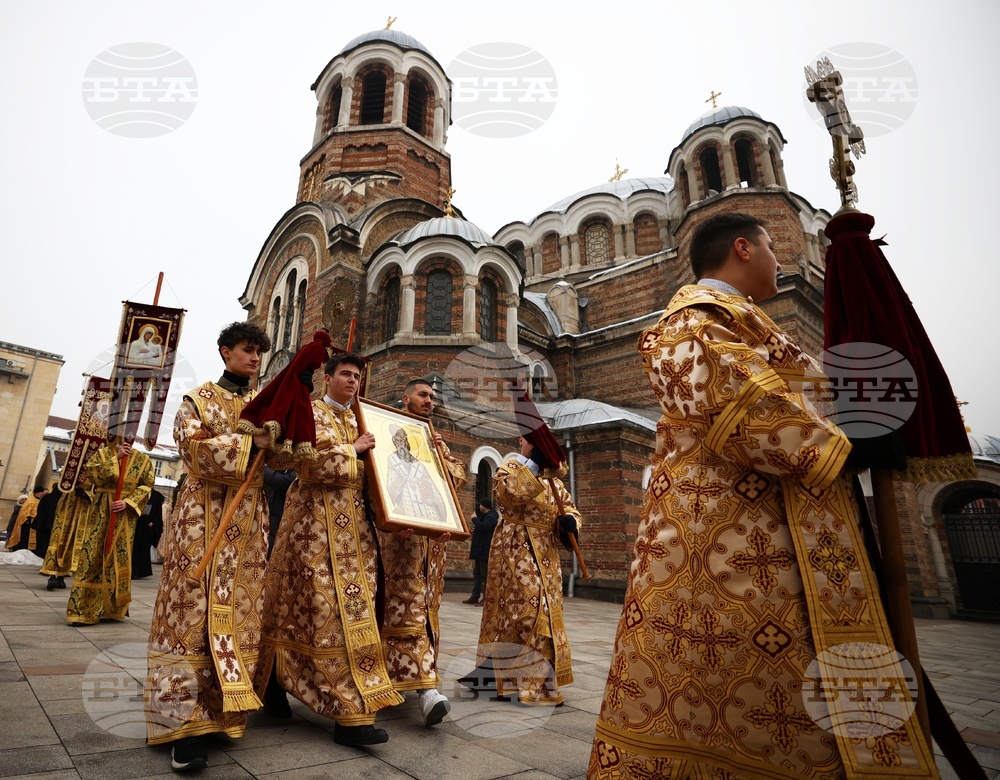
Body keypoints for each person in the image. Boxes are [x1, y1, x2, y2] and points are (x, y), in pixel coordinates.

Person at [588, 213, 938, 779]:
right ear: (743, 248)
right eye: (774, 247)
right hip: (726, 539)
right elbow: (738, 401)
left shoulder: (749, 323)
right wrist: (841, 447)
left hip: (773, 525)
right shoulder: (694, 319)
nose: (781, 260)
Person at [144, 322, 273, 773]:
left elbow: (286, 457)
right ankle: (183, 724)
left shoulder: (264, 406)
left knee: (237, 615)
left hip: (249, 525)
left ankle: (221, 714)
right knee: (191, 615)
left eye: (260, 352)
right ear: (226, 352)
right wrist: (247, 442)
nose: (254, 358)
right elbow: (192, 447)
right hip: (202, 520)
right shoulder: (198, 399)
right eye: (247, 350)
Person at [261, 353, 403, 747]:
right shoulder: (310, 412)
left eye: (358, 376)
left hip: (356, 533)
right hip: (311, 530)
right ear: (327, 378)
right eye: (345, 374)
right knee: (318, 612)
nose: (353, 381)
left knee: (350, 616)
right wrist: (352, 450)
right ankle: (278, 684)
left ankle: (350, 710)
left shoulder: (364, 418)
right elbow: (304, 466)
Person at [378, 378, 467, 728]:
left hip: (432, 543)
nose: (430, 401)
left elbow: (456, 476)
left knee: (426, 610)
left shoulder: (434, 438)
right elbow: (386, 475)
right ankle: (426, 689)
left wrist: (439, 459)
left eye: (432, 397)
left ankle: (411, 681)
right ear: (405, 397)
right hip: (399, 540)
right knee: (403, 608)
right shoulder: (387, 430)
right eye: (423, 395)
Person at [477, 434, 581, 706]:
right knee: (525, 613)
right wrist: (533, 465)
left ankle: (539, 685)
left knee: (546, 614)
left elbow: (570, 510)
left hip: (547, 554)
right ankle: (511, 682)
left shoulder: (556, 483)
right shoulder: (510, 468)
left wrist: (570, 524)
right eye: (531, 442)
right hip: (516, 550)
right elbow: (508, 495)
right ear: (522, 441)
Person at [66, 440, 153, 625]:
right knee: (94, 554)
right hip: (101, 510)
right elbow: (92, 476)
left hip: (124, 515)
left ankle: (112, 608)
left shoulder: (143, 459)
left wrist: (129, 502)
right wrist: (117, 458)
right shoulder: (103, 454)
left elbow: (147, 486)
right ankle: (83, 609)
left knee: (118, 556)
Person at [259, 465, 296, 718]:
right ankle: (271, 689)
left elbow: (290, 480)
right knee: (271, 614)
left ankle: (277, 686)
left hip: (293, 537)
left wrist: (261, 466)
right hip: (274, 535)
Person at [39, 475, 93, 589]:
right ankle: (52, 575)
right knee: (59, 540)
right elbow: (64, 478)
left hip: (83, 510)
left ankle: (62, 576)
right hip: (67, 506)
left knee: (72, 544)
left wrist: (86, 494)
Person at [463, 497, 498, 606]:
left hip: (484, 550)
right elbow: (483, 529)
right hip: (479, 550)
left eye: (481, 505)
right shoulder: (486, 516)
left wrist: (474, 519)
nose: (479, 507)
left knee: (484, 575)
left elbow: (484, 527)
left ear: (484, 506)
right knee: (477, 574)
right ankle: (475, 596)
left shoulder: (492, 516)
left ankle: (486, 598)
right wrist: (476, 530)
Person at [131, 489, 164, 579]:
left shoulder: (156, 496)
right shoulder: (136, 492)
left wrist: (153, 522)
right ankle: (132, 571)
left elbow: (158, 514)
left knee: (142, 550)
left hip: (146, 527)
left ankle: (140, 572)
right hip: (135, 525)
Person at [7, 486, 46, 551]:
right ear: (38, 493)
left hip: (35, 524)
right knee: (25, 539)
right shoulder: (29, 501)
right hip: (27, 524)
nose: (42, 494)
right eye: (41, 493)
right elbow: (24, 513)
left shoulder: (40, 501)